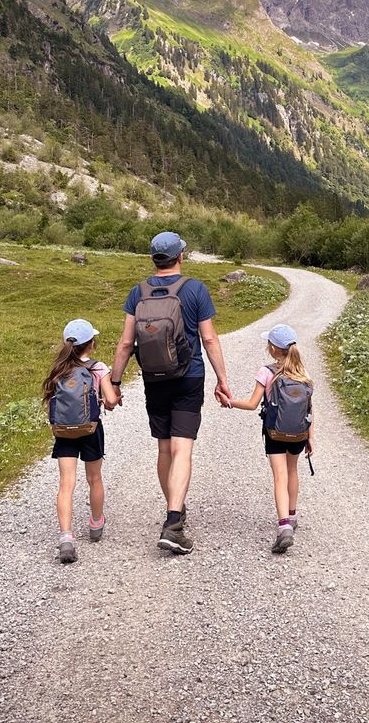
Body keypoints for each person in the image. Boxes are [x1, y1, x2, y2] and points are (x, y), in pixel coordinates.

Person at [111, 232, 231, 555]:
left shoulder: (138, 293)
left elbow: (125, 343)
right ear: (180, 257)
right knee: (183, 449)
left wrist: (115, 382)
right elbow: (209, 340)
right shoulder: (195, 289)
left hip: (155, 378)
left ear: (154, 260)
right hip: (188, 376)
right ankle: (173, 521)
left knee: (164, 448)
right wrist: (222, 379)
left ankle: (173, 513)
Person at [225, 324, 313, 555]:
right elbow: (310, 407)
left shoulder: (266, 372)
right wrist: (310, 436)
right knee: (293, 471)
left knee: (279, 476)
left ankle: (283, 526)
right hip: (299, 433)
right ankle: (292, 517)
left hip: (275, 432)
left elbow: (253, 404)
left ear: (273, 349)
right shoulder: (303, 373)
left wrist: (230, 402)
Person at [42, 319, 119, 564]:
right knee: (94, 478)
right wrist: (111, 401)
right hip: (90, 430)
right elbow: (110, 399)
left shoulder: (58, 368)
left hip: (63, 431)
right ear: (91, 344)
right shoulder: (98, 368)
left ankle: (66, 537)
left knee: (66, 483)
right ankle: (96, 523)